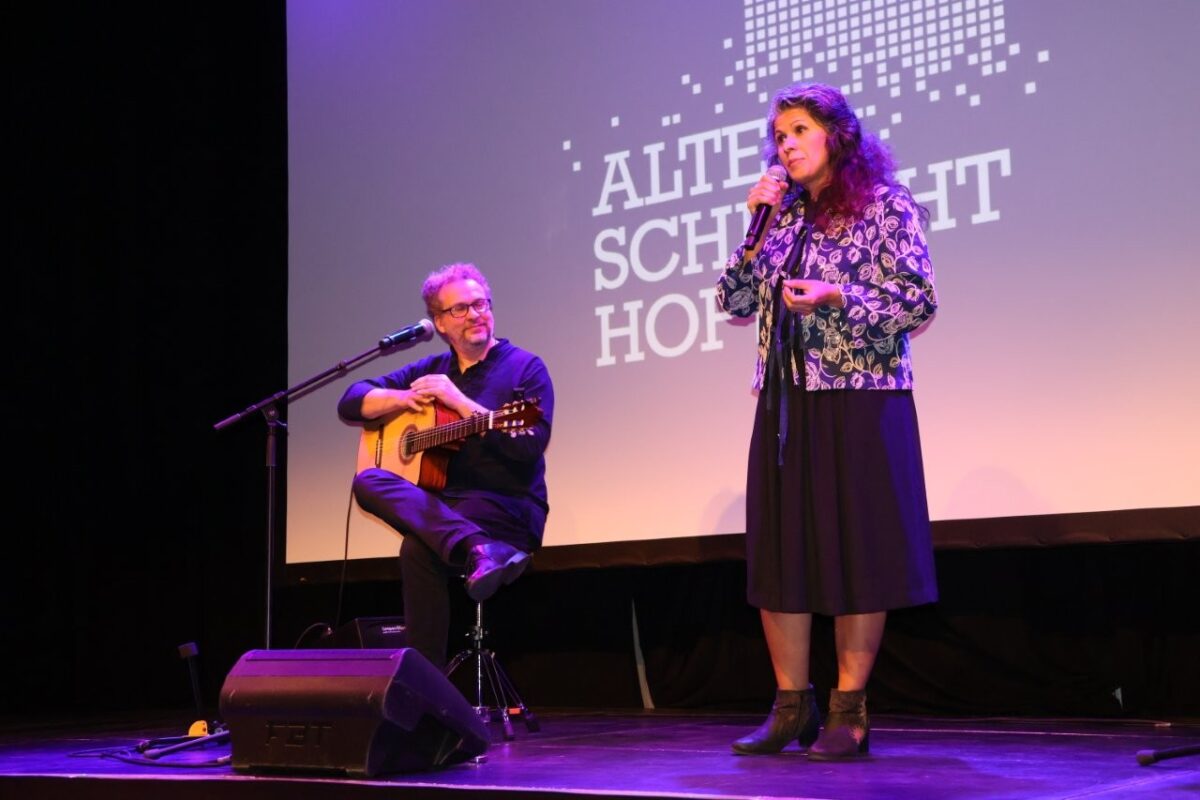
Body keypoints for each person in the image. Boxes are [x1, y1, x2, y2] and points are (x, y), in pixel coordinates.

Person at [715, 83, 938, 760]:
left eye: (799, 131)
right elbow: (732, 302)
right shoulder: (778, 217)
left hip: (860, 398)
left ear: (837, 136)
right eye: (779, 136)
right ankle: (791, 708)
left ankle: (849, 710)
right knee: (782, 552)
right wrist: (754, 228)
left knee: (858, 550)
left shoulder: (884, 204)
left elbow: (918, 301)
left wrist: (837, 296)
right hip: (786, 400)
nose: (785, 146)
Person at [337, 262, 554, 668]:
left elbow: (530, 445)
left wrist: (462, 403)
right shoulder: (430, 371)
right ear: (438, 322)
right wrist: (402, 399)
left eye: (481, 304)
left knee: (416, 549)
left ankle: (426, 679)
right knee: (366, 481)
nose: (475, 314)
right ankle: (477, 549)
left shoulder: (525, 367)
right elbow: (351, 400)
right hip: (449, 510)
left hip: (507, 507)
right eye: (460, 309)